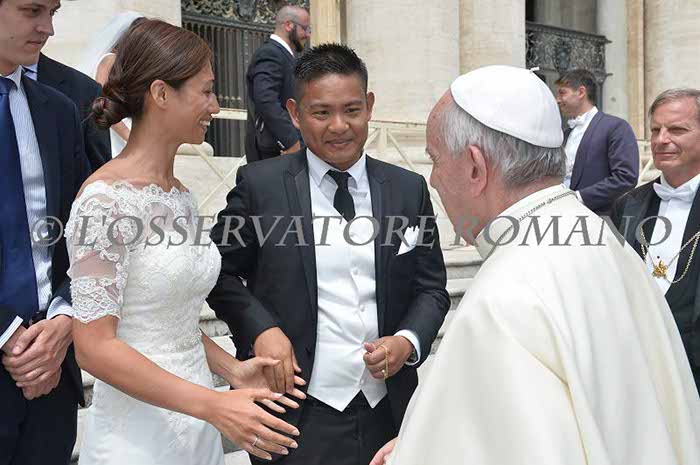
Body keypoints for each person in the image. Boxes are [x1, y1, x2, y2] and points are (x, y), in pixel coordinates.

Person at [371, 65, 700, 465]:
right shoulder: (599, 236)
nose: (434, 180)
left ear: (475, 167)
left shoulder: (506, 297)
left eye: (435, 160)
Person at [64, 19, 303, 465]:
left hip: (198, 426)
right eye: (206, 91)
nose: (215, 105)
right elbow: (94, 348)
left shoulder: (181, 196)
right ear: (161, 94)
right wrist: (212, 404)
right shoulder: (104, 202)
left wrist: (232, 371)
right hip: (137, 438)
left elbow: (168, 321)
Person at [208, 43, 450, 465]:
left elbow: (431, 288)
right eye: (321, 113)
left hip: (388, 412)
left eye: (352, 110)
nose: (339, 126)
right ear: (294, 112)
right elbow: (218, 274)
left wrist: (407, 341)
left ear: (369, 106)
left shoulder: (408, 189)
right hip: (294, 411)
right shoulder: (259, 186)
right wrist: (261, 329)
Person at [0, 1, 91, 464]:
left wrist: (65, 316)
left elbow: (83, 230)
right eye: (32, 10)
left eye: (53, 12)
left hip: (52, 366)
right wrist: (8, 333)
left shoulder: (58, 110)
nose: (48, 28)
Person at [611, 88, 700, 390]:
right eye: (655, 130)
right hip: (641, 368)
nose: (661, 140)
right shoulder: (628, 204)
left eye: (676, 130)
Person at [555, 69, 639, 215]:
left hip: (599, 217)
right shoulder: (565, 134)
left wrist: (579, 198)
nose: (558, 100)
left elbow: (626, 177)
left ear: (581, 92)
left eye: (562, 93)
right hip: (562, 215)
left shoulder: (616, 127)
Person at [244, 5, 310, 162]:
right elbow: (265, 99)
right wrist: (290, 141)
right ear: (288, 25)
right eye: (305, 28)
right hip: (274, 151)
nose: (308, 34)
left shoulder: (284, 55)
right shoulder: (270, 53)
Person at [77, 10, 144, 158]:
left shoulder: (122, 65)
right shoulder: (110, 60)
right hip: (114, 135)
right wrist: (129, 137)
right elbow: (102, 102)